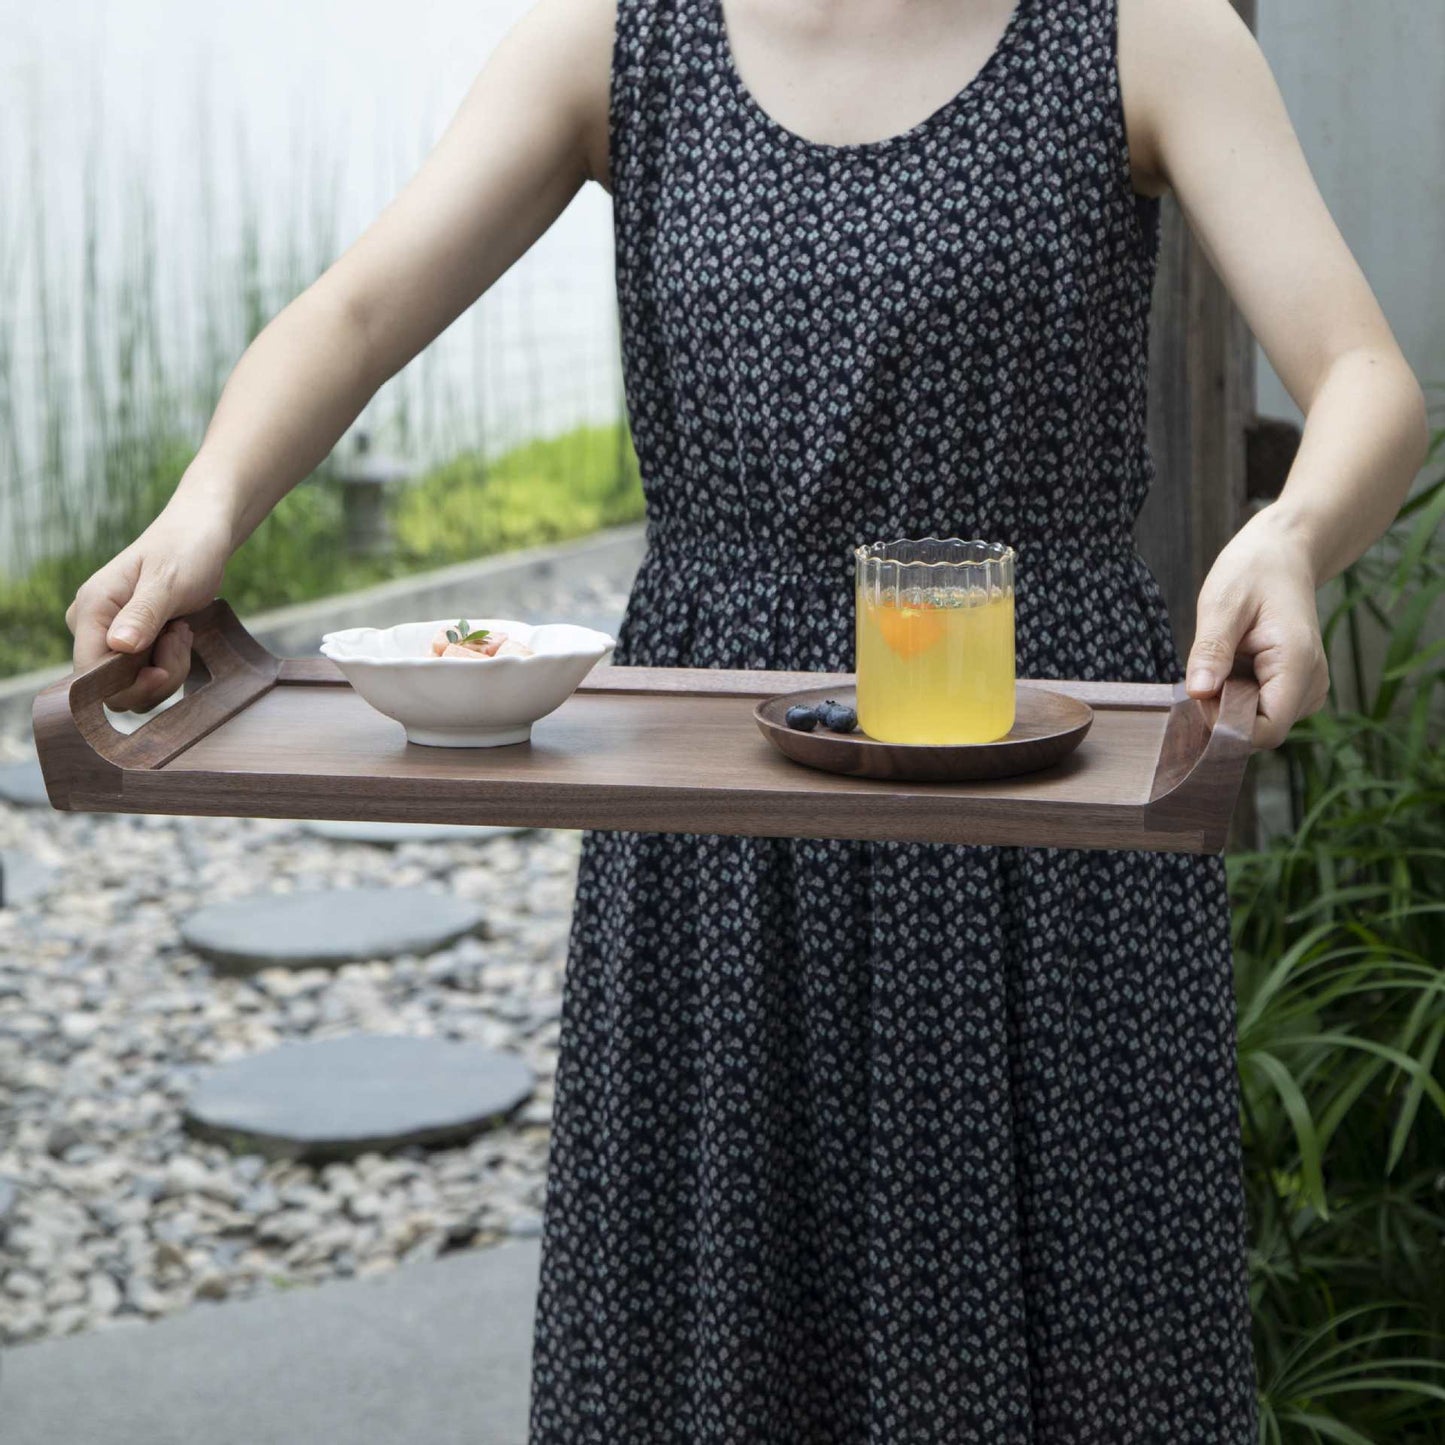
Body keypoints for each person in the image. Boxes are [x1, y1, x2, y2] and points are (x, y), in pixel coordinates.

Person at [67, 0, 1428, 1438]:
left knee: (1082, 1338)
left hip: (1039, 795)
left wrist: (1291, 538)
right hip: (711, 783)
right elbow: (354, 308)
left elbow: (1362, 378)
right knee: (705, 1334)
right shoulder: (618, 38)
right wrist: (205, 509)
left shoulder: (1140, 31)